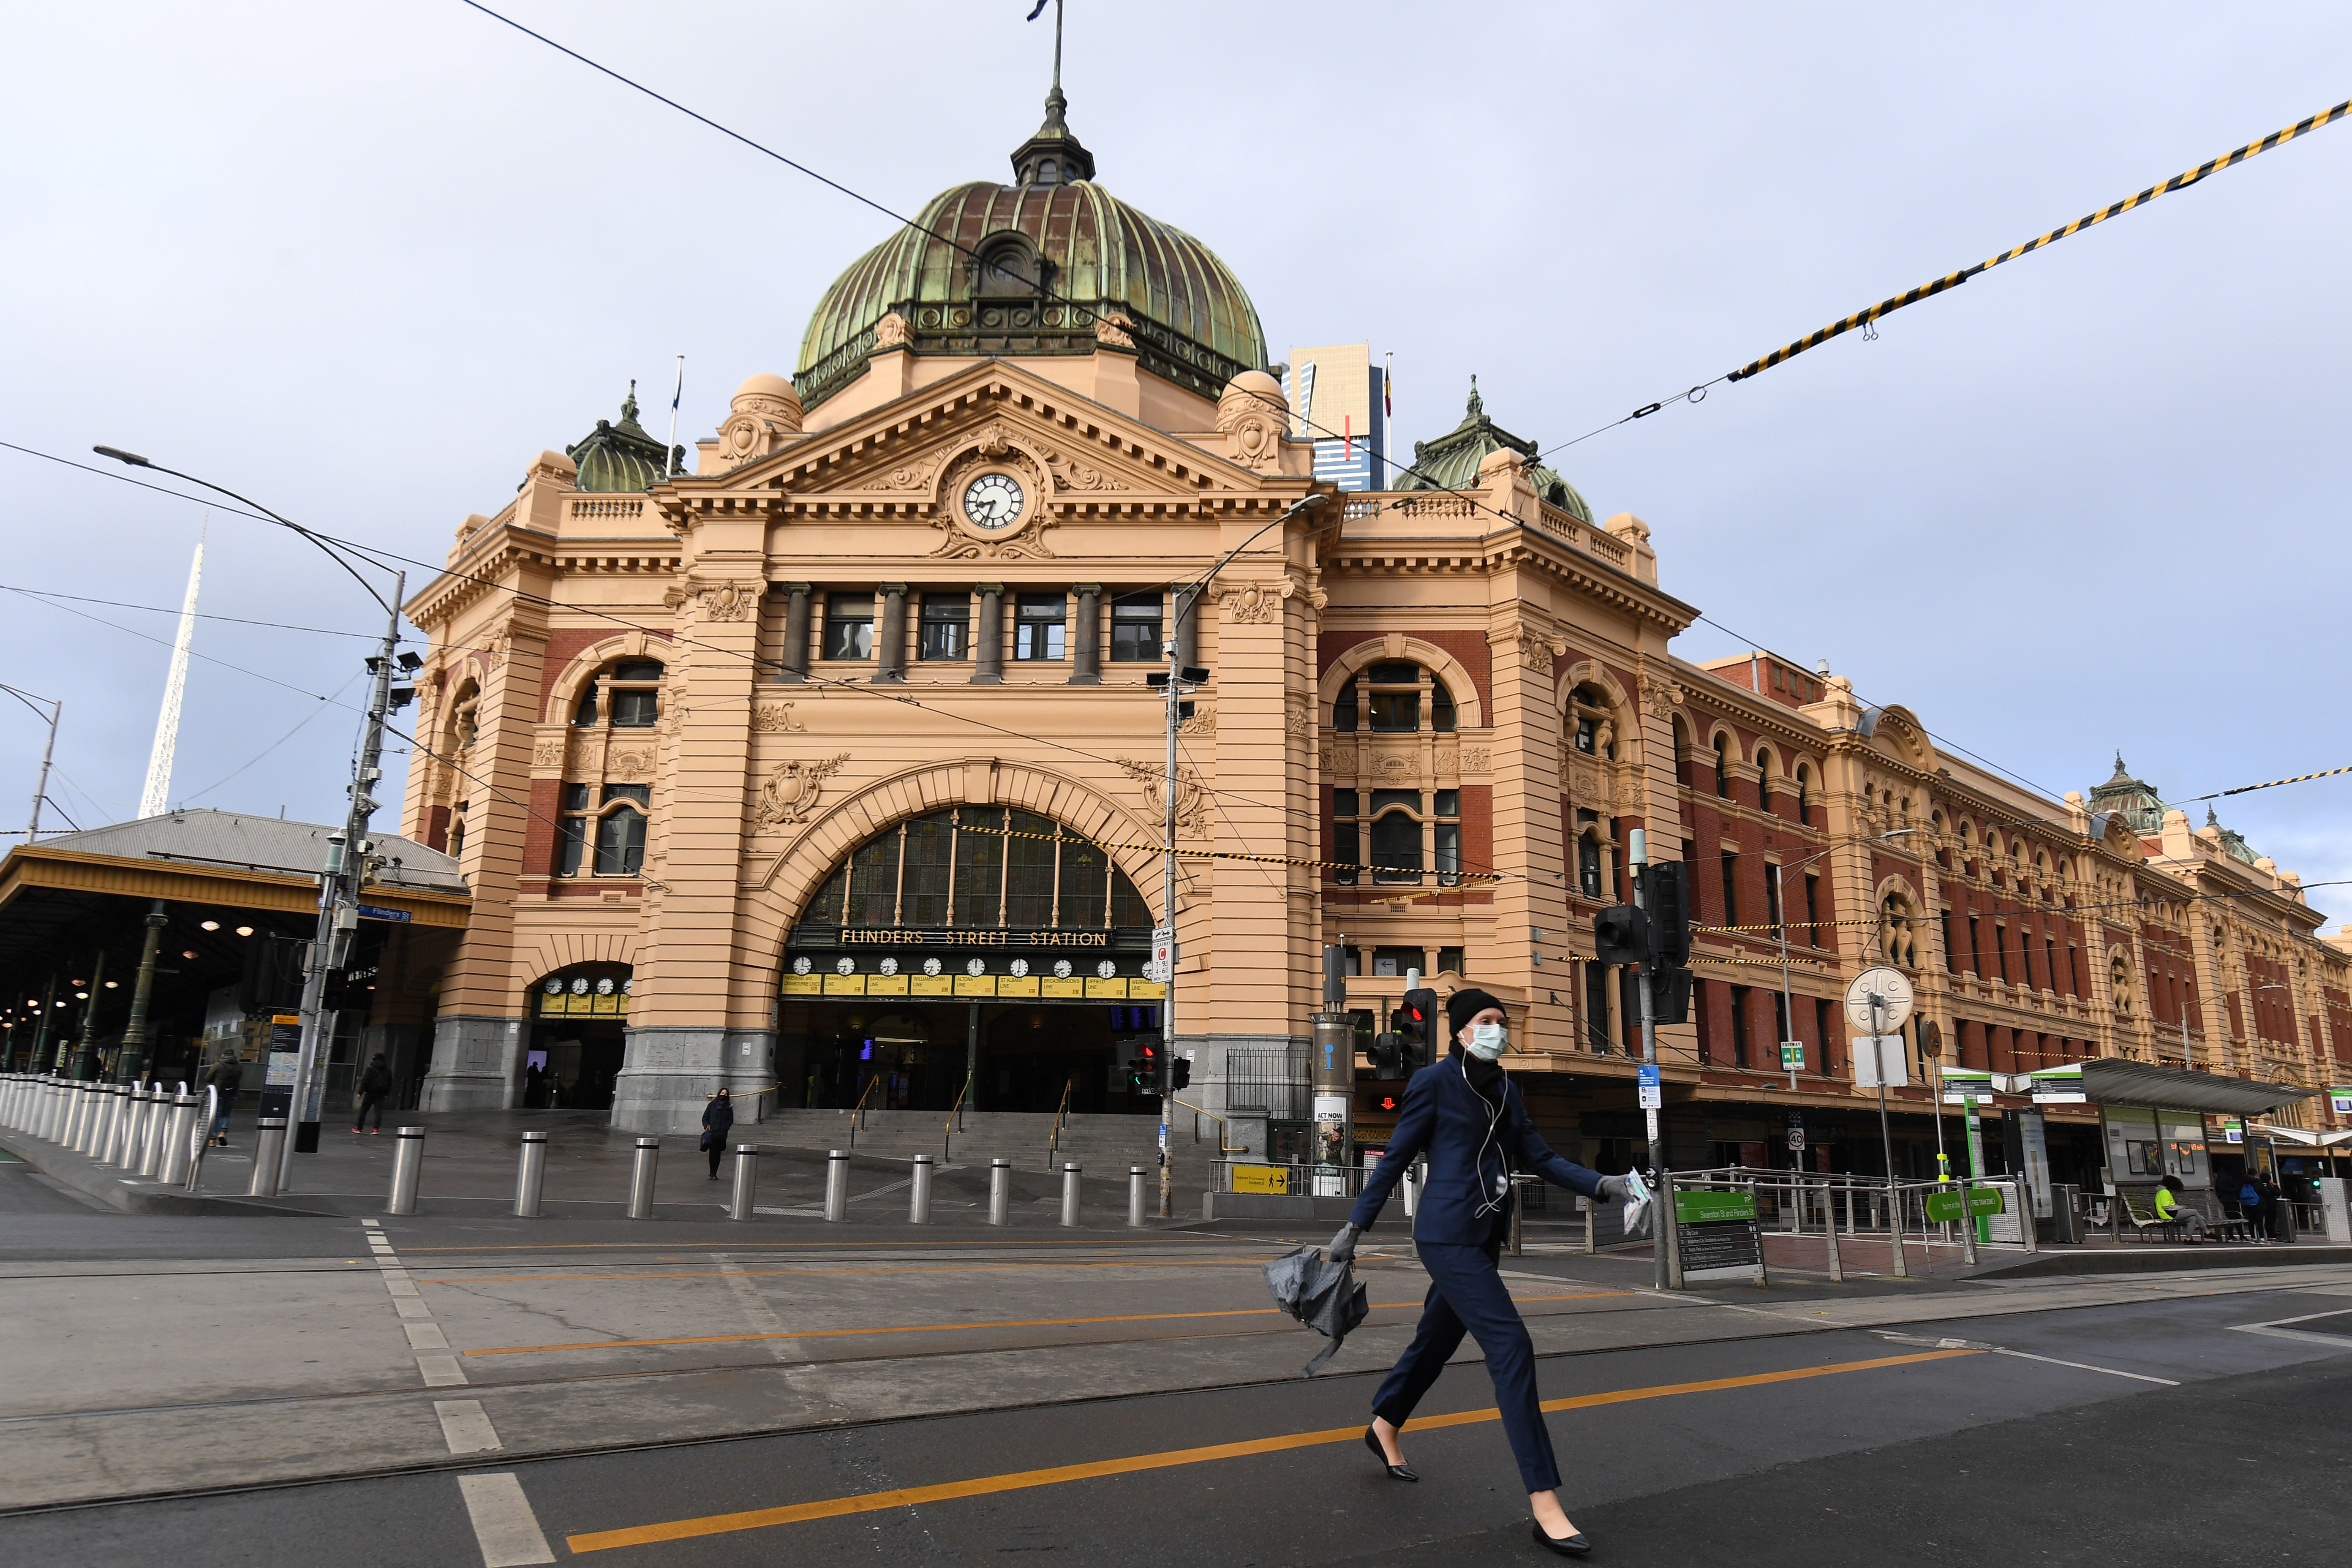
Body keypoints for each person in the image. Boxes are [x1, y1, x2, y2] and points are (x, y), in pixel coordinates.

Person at [1328, 988, 1642, 1559]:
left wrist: (1604, 1185)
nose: (1497, 1028)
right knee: (1510, 1344)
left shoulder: (1506, 1089)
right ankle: (1545, 1503)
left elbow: (1541, 1158)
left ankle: (1384, 1424)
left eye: (1501, 1020)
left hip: (1486, 1233)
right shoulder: (1434, 1083)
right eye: (1486, 1021)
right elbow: (1395, 1157)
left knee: (1436, 1341)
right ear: (1461, 1031)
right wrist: (1356, 1228)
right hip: (1446, 1235)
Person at [203, 1054, 244, 1146]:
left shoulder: (218, 1065)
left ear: (224, 1055)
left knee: (217, 1115)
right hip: (232, 1093)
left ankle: (213, 1139)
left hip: (219, 1093)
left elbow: (208, 1078)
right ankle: (223, 1133)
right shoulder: (240, 1066)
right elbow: (240, 1078)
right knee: (226, 1114)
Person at [2154, 1174, 2205, 1241]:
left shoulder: (2164, 1192)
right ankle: (2206, 1231)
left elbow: (2170, 1205)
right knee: (2194, 1212)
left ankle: (2189, 1239)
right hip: (2169, 1214)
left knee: (2192, 1219)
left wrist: (2180, 1207)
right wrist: (2180, 1208)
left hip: (2170, 1213)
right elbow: (2167, 1207)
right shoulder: (2165, 1192)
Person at [352, 1052, 393, 1134]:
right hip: (381, 1093)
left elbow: (365, 1081)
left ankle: (359, 1128)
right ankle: (376, 1129)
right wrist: (386, 1093)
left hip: (370, 1093)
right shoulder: (388, 1070)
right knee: (378, 1111)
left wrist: (360, 1092)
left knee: (364, 1111)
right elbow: (390, 1082)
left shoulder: (370, 1069)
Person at [702, 1086, 735, 1180]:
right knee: (712, 1153)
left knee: (718, 1153)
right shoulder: (712, 1105)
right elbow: (705, 1117)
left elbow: (731, 1120)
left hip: (721, 1134)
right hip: (712, 1133)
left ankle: (715, 1173)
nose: (723, 1095)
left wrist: (725, 1128)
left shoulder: (729, 1107)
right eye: (722, 1093)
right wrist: (707, 1125)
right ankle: (711, 1173)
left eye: (725, 1094)